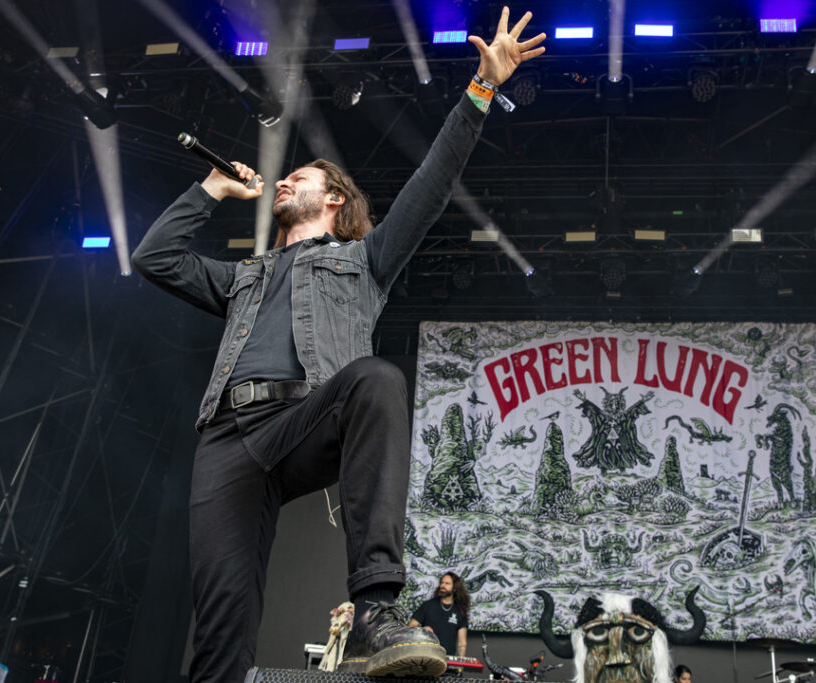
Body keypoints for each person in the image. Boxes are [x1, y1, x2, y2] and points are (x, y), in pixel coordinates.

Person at [130, 8, 545, 683]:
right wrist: (211, 187)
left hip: (306, 417)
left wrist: (481, 90)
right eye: (284, 176)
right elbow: (155, 257)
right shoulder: (246, 276)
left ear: (336, 200)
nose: (285, 180)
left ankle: (376, 609)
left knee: (376, 379)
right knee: (221, 629)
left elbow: (431, 186)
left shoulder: (365, 259)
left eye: (303, 176)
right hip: (227, 441)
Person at [408, 572, 470, 656]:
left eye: (447, 583)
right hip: (426, 659)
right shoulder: (428, 606)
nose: (442, 585)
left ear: (455, 588)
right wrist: (422, 630)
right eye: (441, 582)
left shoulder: (460, 611)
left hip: (447, 662)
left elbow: (462, 644)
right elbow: (411, 626)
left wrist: (460, 663)